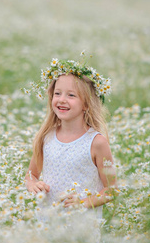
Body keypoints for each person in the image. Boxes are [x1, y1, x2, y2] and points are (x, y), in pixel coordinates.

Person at [24, 56, 117, 222]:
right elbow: (31, 175)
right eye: (57, 93)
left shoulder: (97, 142)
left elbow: (111, 189)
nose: (62, 100)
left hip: (81, 226)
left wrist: (83, 202)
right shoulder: (47, 137)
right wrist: (33, 184)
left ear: (86, 104)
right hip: (47, 222)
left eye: (71, 95)